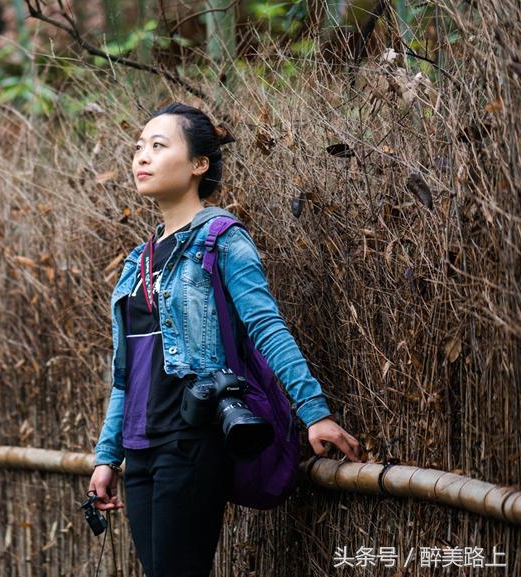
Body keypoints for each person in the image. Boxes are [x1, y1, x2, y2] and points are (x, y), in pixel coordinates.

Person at [87, 103, 363, 577]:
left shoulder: (220, 239)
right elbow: (124, 375)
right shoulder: (137, 262)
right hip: (141, 447)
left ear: (199, 164)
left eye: (158, 145)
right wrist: (107, 457)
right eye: (138, 147)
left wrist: (314, 412)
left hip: (192, 438)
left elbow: (265, 326)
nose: (141, 157)